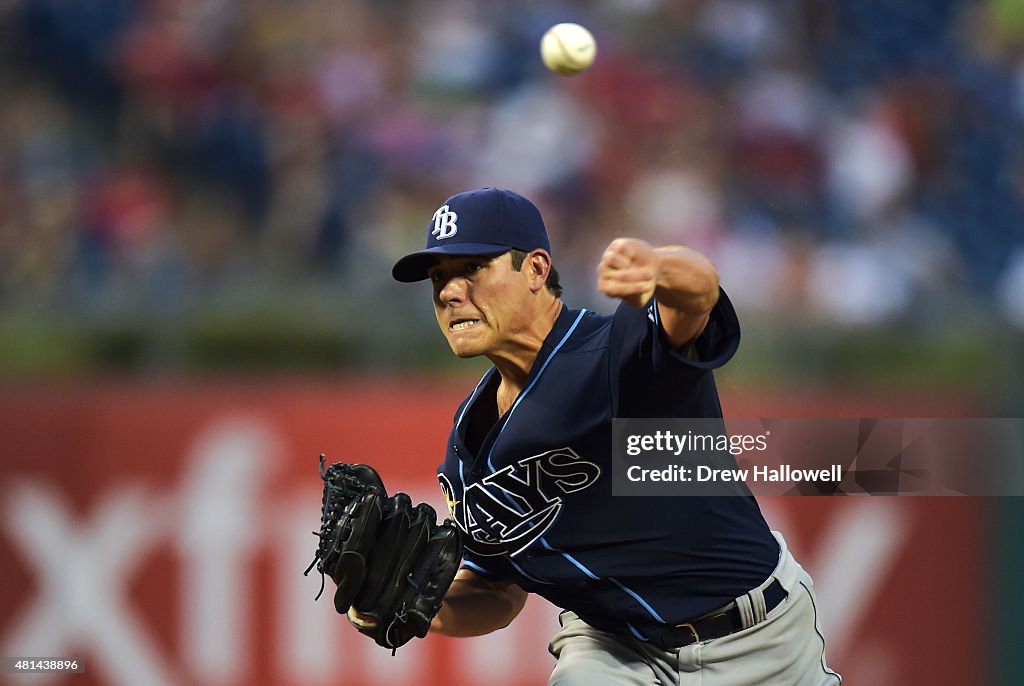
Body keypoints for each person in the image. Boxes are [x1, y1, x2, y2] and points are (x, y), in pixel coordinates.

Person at [386, 187, 841, 685]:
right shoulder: (467, 445)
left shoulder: (614, 355)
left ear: (536, 270)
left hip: (760, 641)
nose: (449, 293)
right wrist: (409, 602)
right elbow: (496, 591)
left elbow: (699, 294)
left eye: (472, 269)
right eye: (438, 278)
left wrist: (661, 268)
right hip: (615, 650)